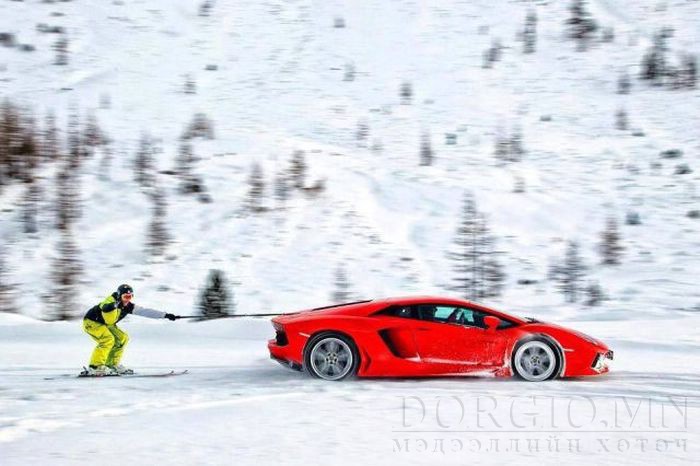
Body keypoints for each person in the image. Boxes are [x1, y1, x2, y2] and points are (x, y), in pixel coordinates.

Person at [83, 284, 180, 375]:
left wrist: (165, 315)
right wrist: (110, 307)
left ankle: (112, 365)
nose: (127, 300)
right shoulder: (110, 301)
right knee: (107, 339)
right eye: (125, 297)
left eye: (130, 297)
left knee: (122, 338)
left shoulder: (127, 306)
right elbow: (103, 305)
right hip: (92, 322)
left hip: (106, 324)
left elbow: (145, 311)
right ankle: (95, 367)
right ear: (119, 295)